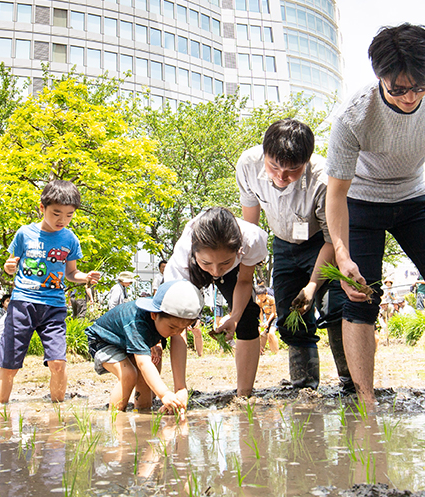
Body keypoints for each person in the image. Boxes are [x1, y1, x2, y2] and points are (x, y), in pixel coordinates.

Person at [325, 23, 425, 403]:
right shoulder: (352, 116)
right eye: (399, 89)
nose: (410, 97)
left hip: (413, 199)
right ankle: (365, 401)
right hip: (360, 201)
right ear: (380, 77)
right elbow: (337, 192)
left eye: (419, 86)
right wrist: (342, 255)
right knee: (360, 297)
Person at [237, 118, 351, 391]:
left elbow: (332, 240)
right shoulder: (248, 165)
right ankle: (304, 386)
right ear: (265, 154)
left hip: (321, 243)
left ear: (307, 161)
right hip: (284, 243)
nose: (281, 177)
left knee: (336, 308)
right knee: (291, 313)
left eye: (292, 170)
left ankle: (351, 383)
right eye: (274, 167)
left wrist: (313, 285)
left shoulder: (324, 178)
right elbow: (250, 227)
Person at [0, 180, 102, 403]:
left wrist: (86, 277)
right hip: (23, 303)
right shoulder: (24, 234)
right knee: (9, 363)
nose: (62, 220)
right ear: (42, 208)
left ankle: (57, 418)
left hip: (54, 306)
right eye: (56, 213)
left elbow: (71, 273)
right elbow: (9, 263)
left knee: (58, 362)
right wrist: (9, 266)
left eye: (69, 215)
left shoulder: (70, 239)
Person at [164, 207, 268, 397]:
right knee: (176, 320)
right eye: (208, 264)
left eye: (224, 263)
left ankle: (244, 394)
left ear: (239, 249)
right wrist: (180, 390)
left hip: (234, 272)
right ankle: (179, 388)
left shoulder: (252, 238)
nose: (216, 272)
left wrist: (234, 317)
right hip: (193, 269)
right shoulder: (182, 258)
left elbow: (244, 281)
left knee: (247, 315)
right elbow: (175, 323)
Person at [86, 279, 202, 413]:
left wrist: (181, 389)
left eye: (182, 329)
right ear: (154, 314)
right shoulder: (137, 322)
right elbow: (143, 364)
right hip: (105, 341)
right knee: (129, 374)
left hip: (126, 341)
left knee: (152, 365)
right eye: (173, 328)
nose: (176, 332)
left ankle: (143, 410)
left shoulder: (166, 317)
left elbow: (174, 339)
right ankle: (115, 417)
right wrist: (164, 394)